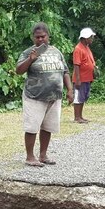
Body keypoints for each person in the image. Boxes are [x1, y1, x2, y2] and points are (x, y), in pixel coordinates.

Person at [16, 22, 73, 167]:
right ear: (33, 38)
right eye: (37, 37)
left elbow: (65, 71)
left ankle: (43, 155)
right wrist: (30, 59)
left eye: (43, 36)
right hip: (35, 96)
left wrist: (70, 90)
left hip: (54, 96)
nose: (41, 39)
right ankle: (30, 157)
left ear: (48, 36)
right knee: (32, 127)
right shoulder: (29, 52)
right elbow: (19, 71)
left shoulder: (56, 51)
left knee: (48, 127)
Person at [71, 27, 96, 123]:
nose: (92, 39)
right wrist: (77, 79)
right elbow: (76, 64)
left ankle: (80, 116)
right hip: (80, 78)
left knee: (83, 97)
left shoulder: (86, 47)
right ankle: (77, 117)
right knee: (78, 98)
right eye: (91, 37)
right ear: (86, 38)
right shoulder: (78, 49)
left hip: (87, 78)